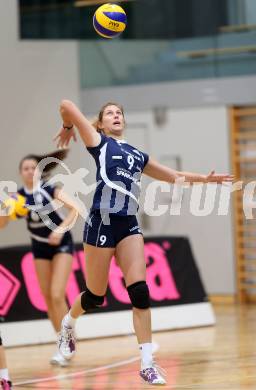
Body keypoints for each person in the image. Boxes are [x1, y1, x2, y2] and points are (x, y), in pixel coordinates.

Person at [54, 100, 234, 385]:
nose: (116, 116)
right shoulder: (98, 141)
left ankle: (147, 363)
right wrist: (67, 126)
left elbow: (173, 177)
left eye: (119, 113)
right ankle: (68, 323)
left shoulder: (138, 154)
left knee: (139, 292)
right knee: (94, 296)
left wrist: (204, 179)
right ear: (100, 123)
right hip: (101, 222)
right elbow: (65, 104)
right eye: (110, 113)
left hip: (129, 224)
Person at [0, 150, 78, 367]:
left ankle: (68, 341)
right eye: (25, 168)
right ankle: (61, 344)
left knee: (56, 295)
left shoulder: (50, 189)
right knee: (46, 298)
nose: (29, 171)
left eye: (33, 167)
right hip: (39, 247)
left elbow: (75, 210)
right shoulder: (17, 197)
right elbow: (2, 225)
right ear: (20, 173)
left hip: (61, 243)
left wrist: (60, 230)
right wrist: (4, 207)